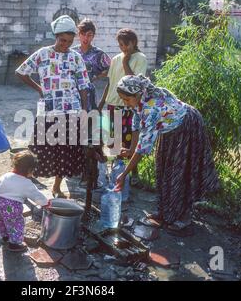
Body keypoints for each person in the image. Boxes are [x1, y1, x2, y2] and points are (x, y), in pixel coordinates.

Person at [115, 75, 220, 236]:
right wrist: (129, 150)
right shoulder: (140, 101)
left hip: (187, 126)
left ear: (137, 95)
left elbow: (143, 148)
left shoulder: (151, 108)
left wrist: (124, 174)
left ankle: (183, 217)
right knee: (164, 169)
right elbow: (136, 126)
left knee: (180, 172)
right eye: (122, 99)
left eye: (126, 99)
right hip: (170, 129)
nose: (125, 103)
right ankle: (165, 212)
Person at [16, 15, 90, 198]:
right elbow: (21, 72)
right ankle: (26, 185)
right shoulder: (43, 54)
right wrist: (39, 88)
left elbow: (83, 85)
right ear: (55, 36)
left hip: (71, 110)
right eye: (63, 40)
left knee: (65, 152)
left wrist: (85, 110)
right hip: (49, 110)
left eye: (70, 41)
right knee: (38, 149)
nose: (66, 44)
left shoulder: (76, 57)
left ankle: (56, 186)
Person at [98, 28, 147, 187]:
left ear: (133, 42)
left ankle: (133, 172)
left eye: (126, 44)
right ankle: (118, 171)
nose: (124, 48)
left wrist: (126, 61)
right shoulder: (116, 58)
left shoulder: (140, 58)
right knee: (114, 139)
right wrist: (101, 102)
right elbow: (110, 82)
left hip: (128, 104)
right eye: (120, 45)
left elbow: (134, 82)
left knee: (130, 139)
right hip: (113, 103)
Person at [0, 151, 50, 252]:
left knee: (1, 220)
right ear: (29, 170)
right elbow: (36, 195)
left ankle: (5, 236)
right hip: (11, 207)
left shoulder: (6, 175)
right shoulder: (27, 183)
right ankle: (14, 244)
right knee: (16, 223)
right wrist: (46, 203)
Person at [73, 18, 111, 111]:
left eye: (89, 35)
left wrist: (97, 76)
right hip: (72, 93)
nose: (86, 38)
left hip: (89, 94)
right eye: (83, 34)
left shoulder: (98, 54)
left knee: (88, 120)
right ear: (79, 34)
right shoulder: (72, 53)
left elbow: (111, 69)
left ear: (93, 36)